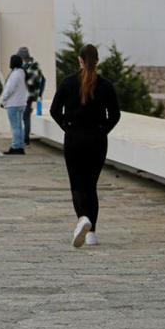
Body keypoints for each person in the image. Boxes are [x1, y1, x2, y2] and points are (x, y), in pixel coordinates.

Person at [50, 44, 120, 247]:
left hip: (74, 138)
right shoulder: (106, 85)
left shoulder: (68, 82)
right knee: (91, 186)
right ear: (97, 60)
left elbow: (55, 110)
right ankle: (92, 234)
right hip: (97, 140)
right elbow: (115, 115)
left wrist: (67, 126)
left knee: (77, 185)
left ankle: (83, 218)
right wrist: (102, 130)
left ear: (80, 60)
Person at [1, 54, 30, 155]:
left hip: (13, 103)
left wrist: (3, 100)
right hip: (21, 103)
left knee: (15, 127)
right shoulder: (22, 73)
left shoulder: (15, 74)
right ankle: (20, 146)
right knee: (19, 126)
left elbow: (9, 89)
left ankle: (16, 146)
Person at [18, 47, 46, 148]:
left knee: (21, 118)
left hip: (22, 96)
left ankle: (24, 140)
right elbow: (43, 80)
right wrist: (40, 93)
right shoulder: (36, 66)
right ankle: (26, 141)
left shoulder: (23, 68)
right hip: (31, 96)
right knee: (26, 118)